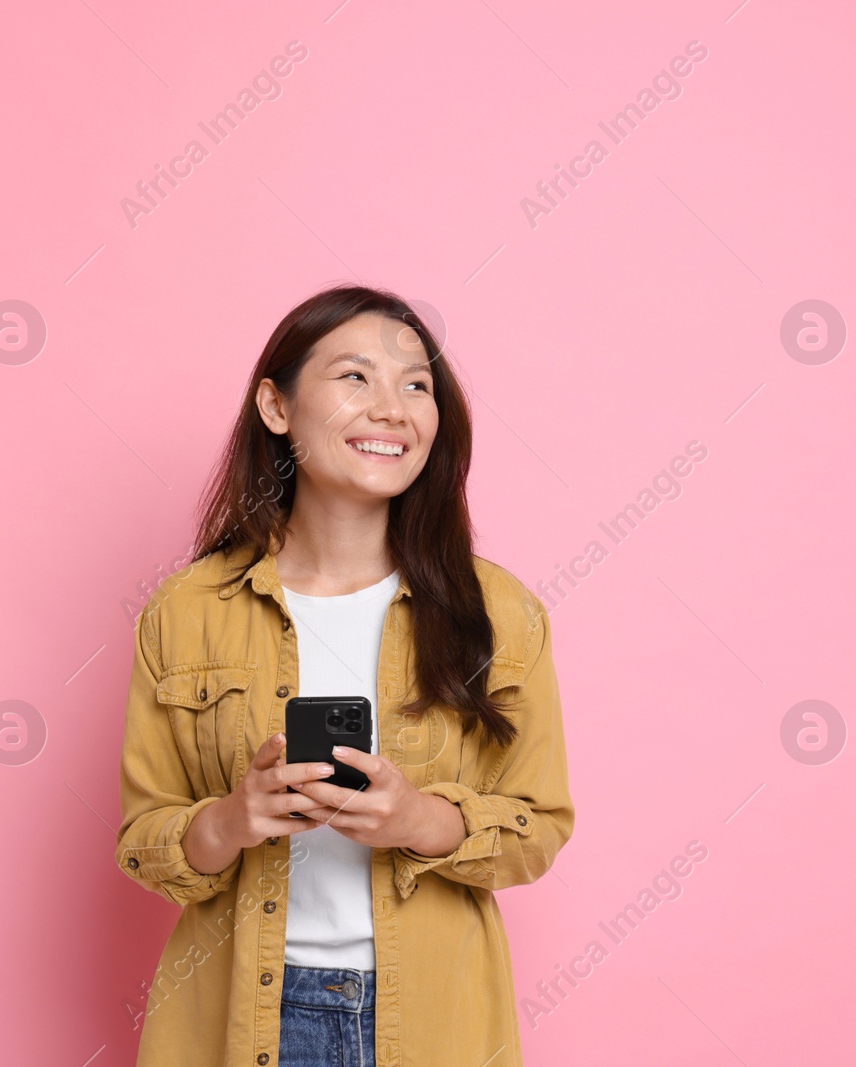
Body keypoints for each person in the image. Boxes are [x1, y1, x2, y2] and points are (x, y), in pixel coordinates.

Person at [115, 285, 573, 1067]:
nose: (392, 407)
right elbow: (142, 838)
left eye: (417, 385)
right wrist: (233, 818)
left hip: (432, 1023)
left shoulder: (499, 612)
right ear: (276, 405)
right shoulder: (187, 609)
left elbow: (540, 826)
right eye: (356, 377)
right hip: (239, 1016)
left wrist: (417, 820)